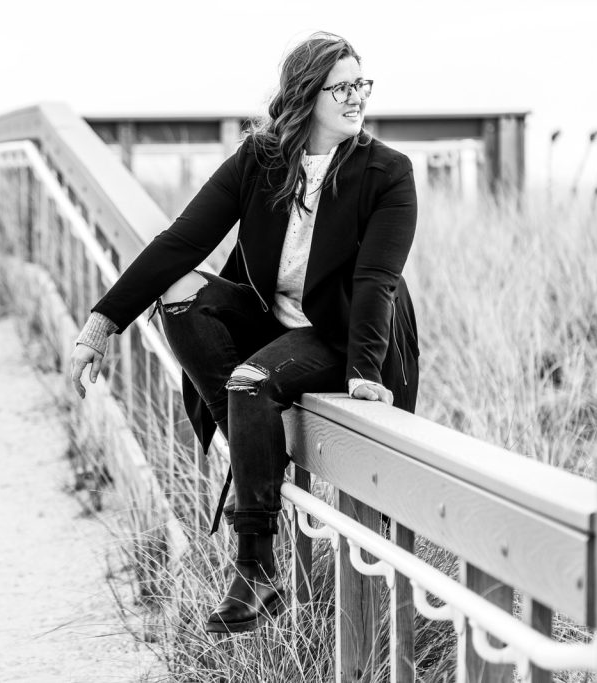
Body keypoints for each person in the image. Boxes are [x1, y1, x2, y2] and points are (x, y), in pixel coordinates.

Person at [69, 31, 420, 634]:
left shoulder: (387, 173)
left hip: (345, 335)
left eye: (362, 84)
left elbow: (376, 282)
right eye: (344, 87)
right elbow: (180, 242)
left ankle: (255, 566)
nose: (357, 97)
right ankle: (252, 439)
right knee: (179, 289)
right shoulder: (261, 160)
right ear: (306, 96)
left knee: (250, 381)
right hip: (272, 321)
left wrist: (364, 374)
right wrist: (101, 324)